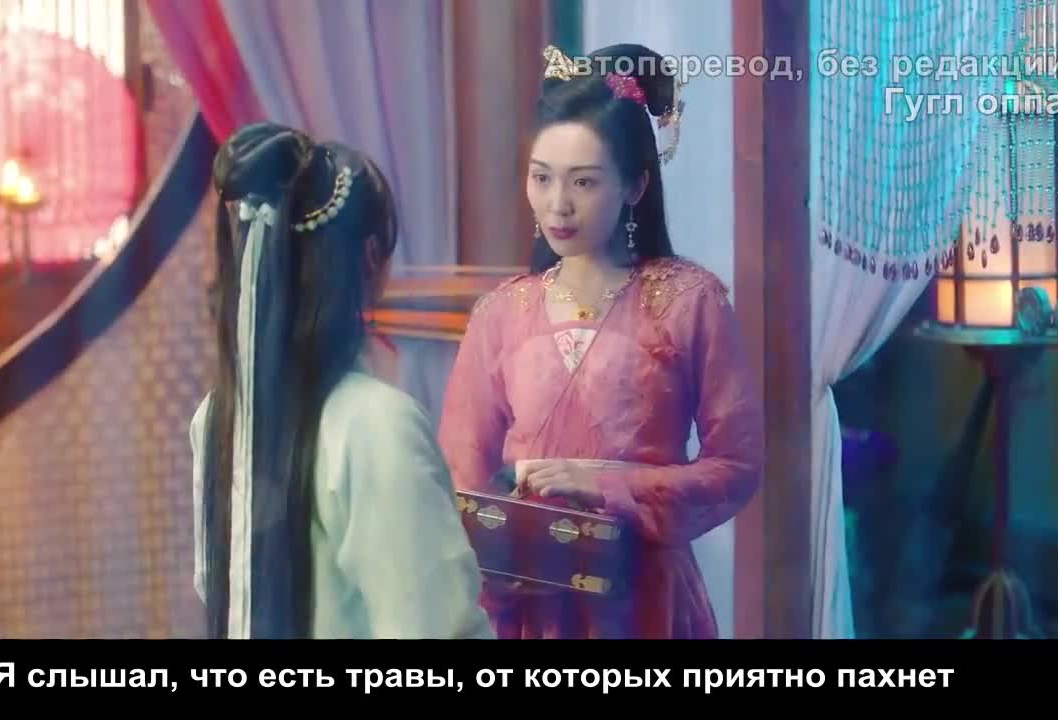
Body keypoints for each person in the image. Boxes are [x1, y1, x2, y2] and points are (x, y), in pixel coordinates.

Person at [438, 44, 763, 639]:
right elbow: (460, 475)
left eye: (583, 182)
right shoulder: (501, 313)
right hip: (526, 601)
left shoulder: (688, 300)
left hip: (644, 594)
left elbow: (737, 465)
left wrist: (608, 487)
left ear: (635, 185)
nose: (557, 205)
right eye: (542, 178)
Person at [190, 122, 493, 639]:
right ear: (372, 256)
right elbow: (433, 626)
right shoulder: (375, 424)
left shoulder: (219, 412)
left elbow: (219, 588)